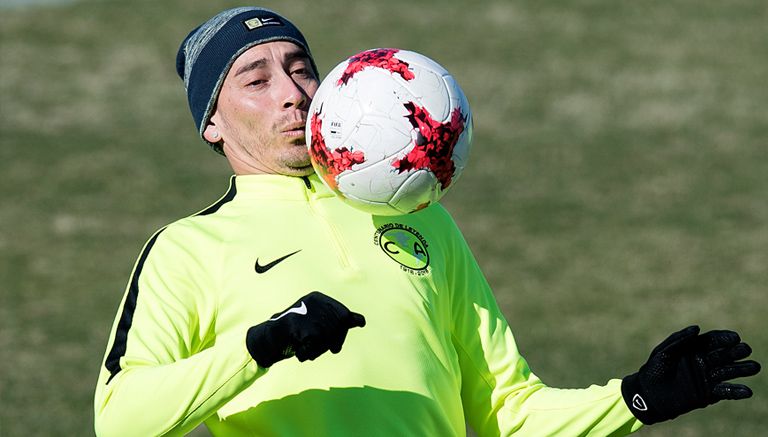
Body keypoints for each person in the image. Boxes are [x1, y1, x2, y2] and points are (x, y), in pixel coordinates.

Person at [93, 7, 761, 436]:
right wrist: (261, 345)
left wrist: (636, 397)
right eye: (257, 79)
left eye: (301, 68)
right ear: (212, 121)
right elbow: (122, 417)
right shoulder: (189, 249)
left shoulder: (420, 216)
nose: (294, 92)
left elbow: (508, 409)